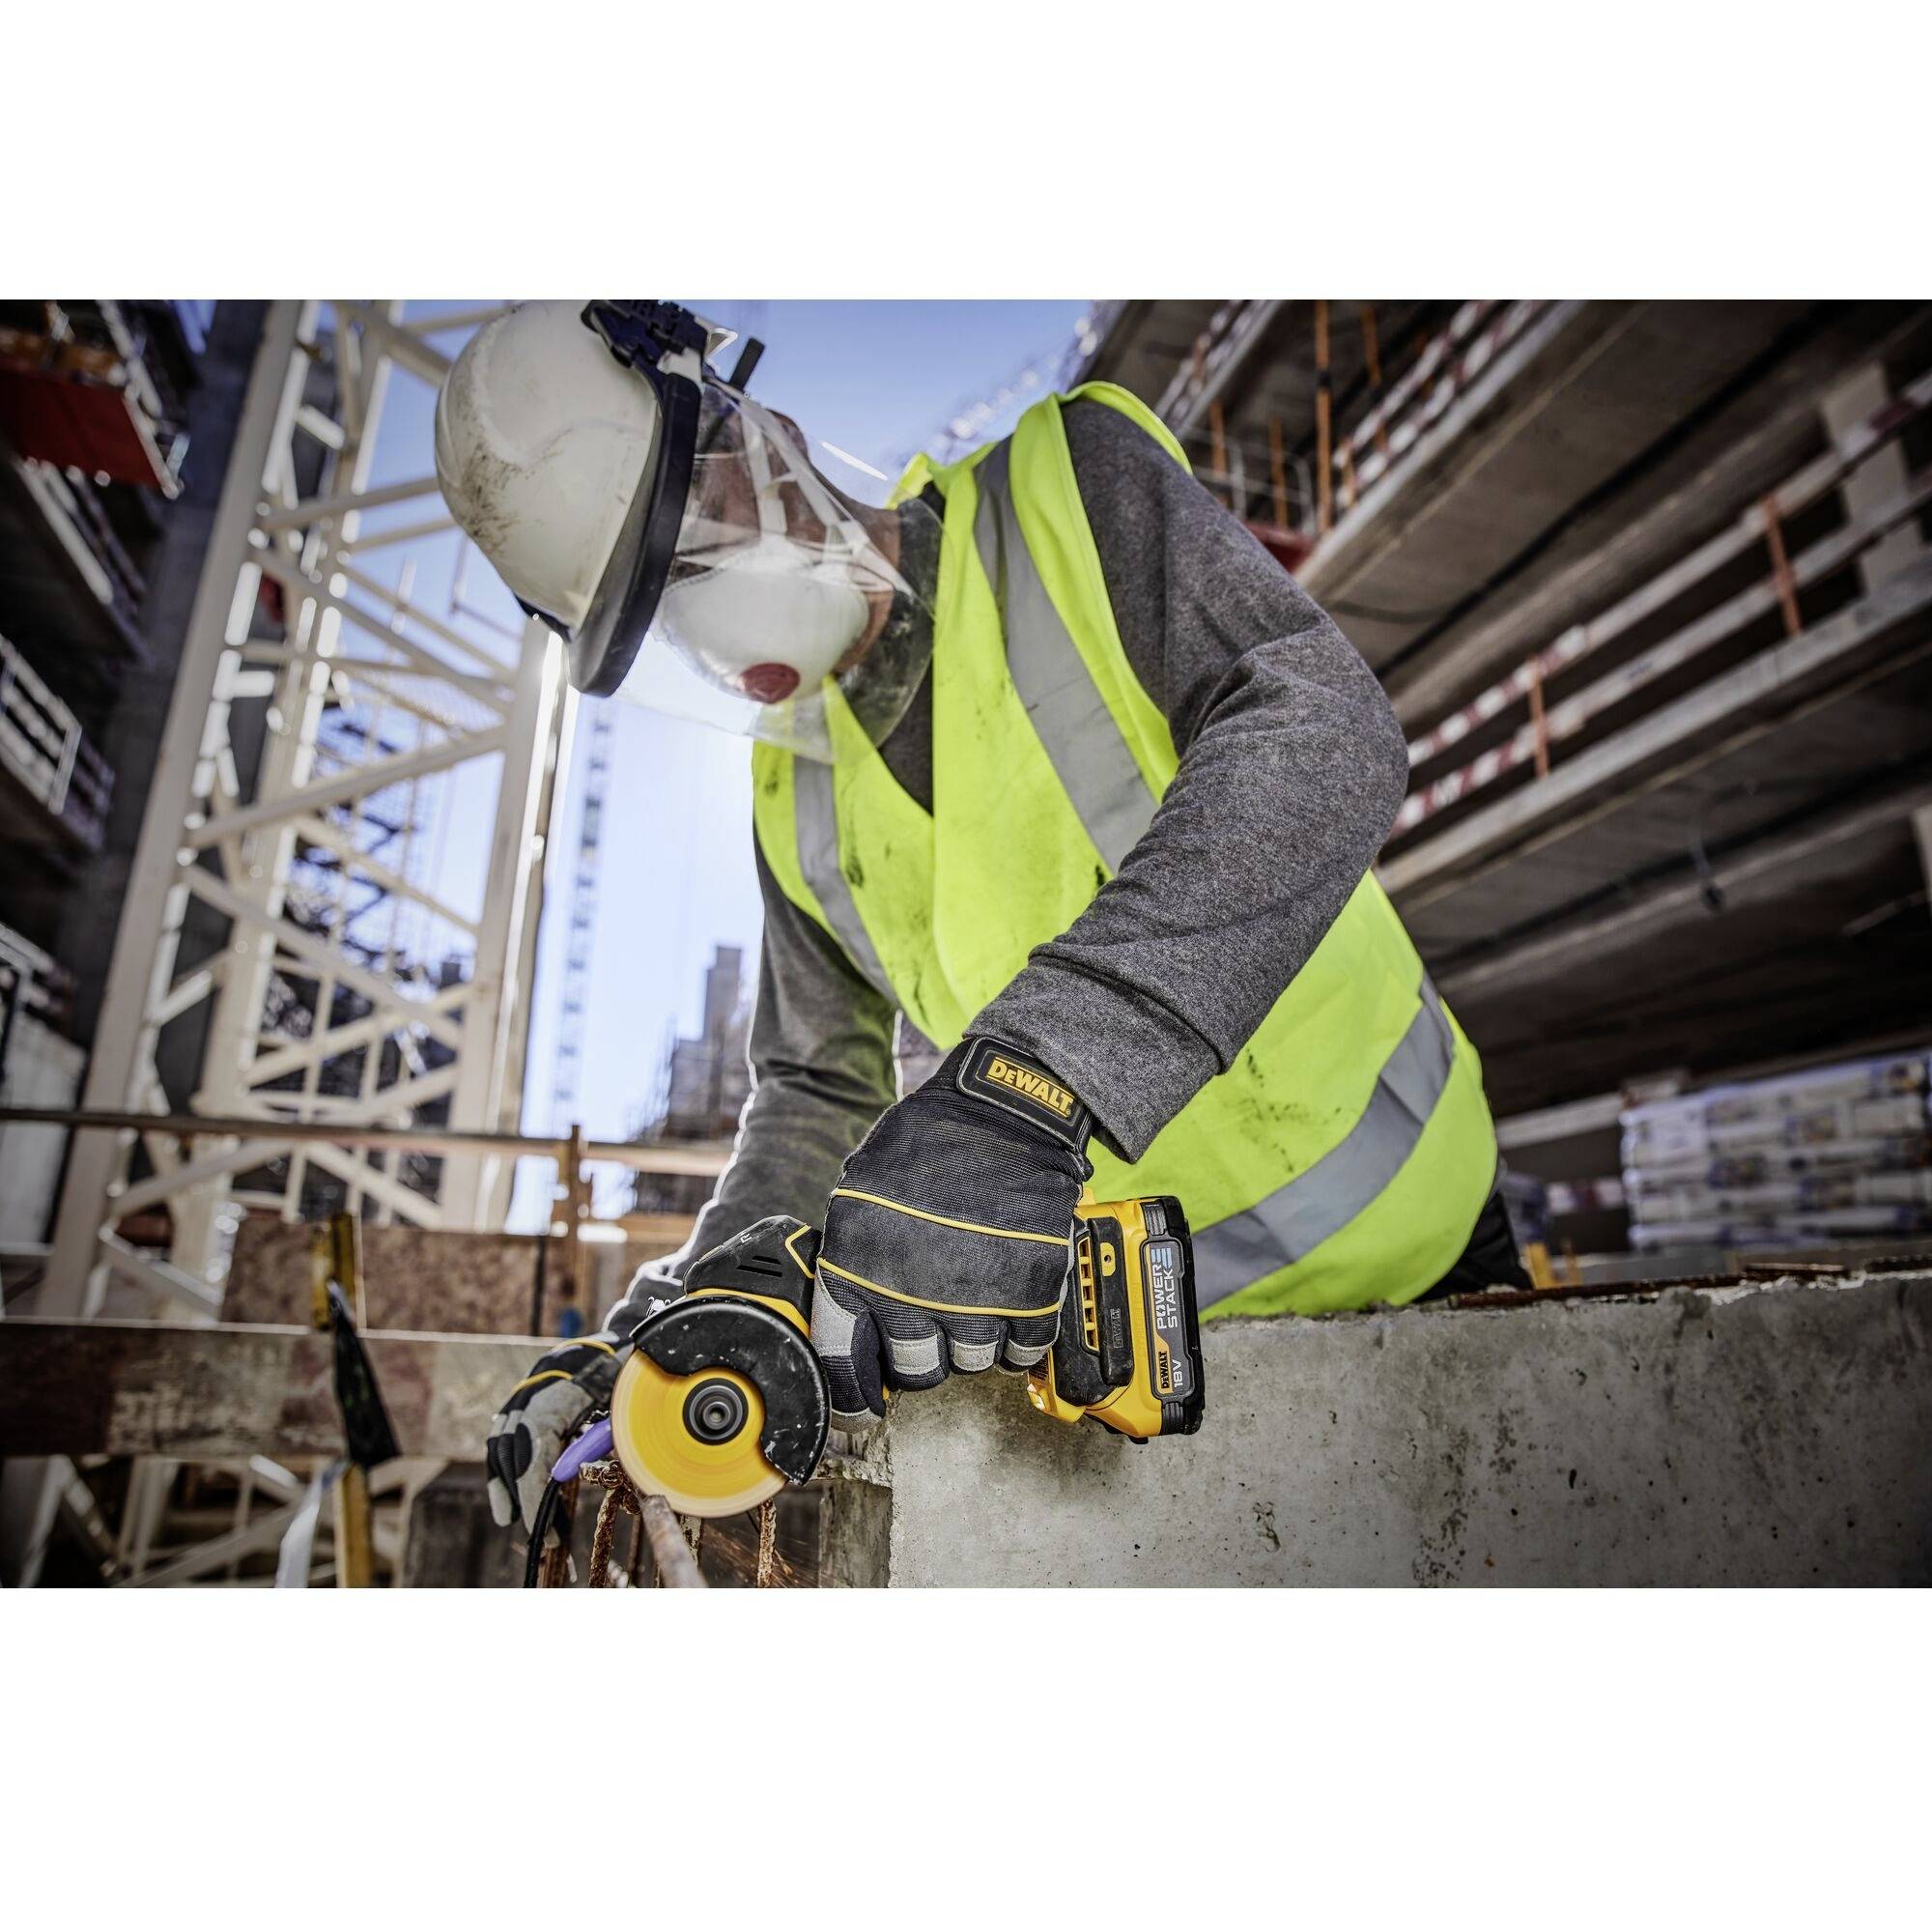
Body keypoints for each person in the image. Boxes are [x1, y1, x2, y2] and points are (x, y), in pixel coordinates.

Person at [437, 300, 1522, 1540]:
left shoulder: (1062, 494)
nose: (708, 620)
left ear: (755, 430)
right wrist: (674, 1334)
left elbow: (1318, 724)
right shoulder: (792, 788)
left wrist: (1028, 1085)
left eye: (689, 549)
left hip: (1422, 1250)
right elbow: (811, 1089)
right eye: (659, 611)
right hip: (1148, 1364)